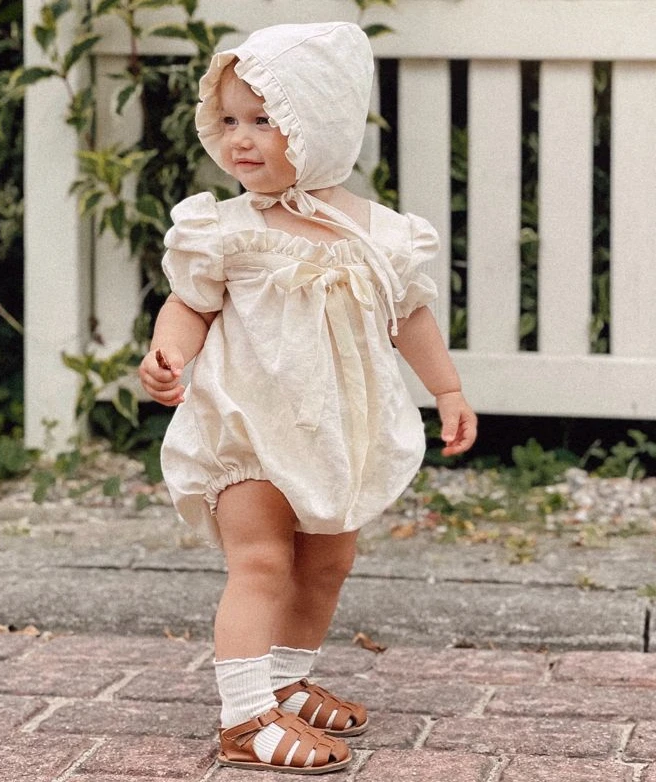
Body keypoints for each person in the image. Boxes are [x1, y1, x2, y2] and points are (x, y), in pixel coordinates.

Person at [139, 21, 477, 775]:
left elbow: (410, 317)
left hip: (334, 437)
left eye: (264, 120)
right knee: (260, 562)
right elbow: (188, 304)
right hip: (246, 427)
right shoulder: (226, 230)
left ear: (320, 126)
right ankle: (244, 718)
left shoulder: (381, 237)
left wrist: (446, 388)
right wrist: (170, 355)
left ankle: (285, 680)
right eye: (227, 120)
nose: (240, 139)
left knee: (327, 563)